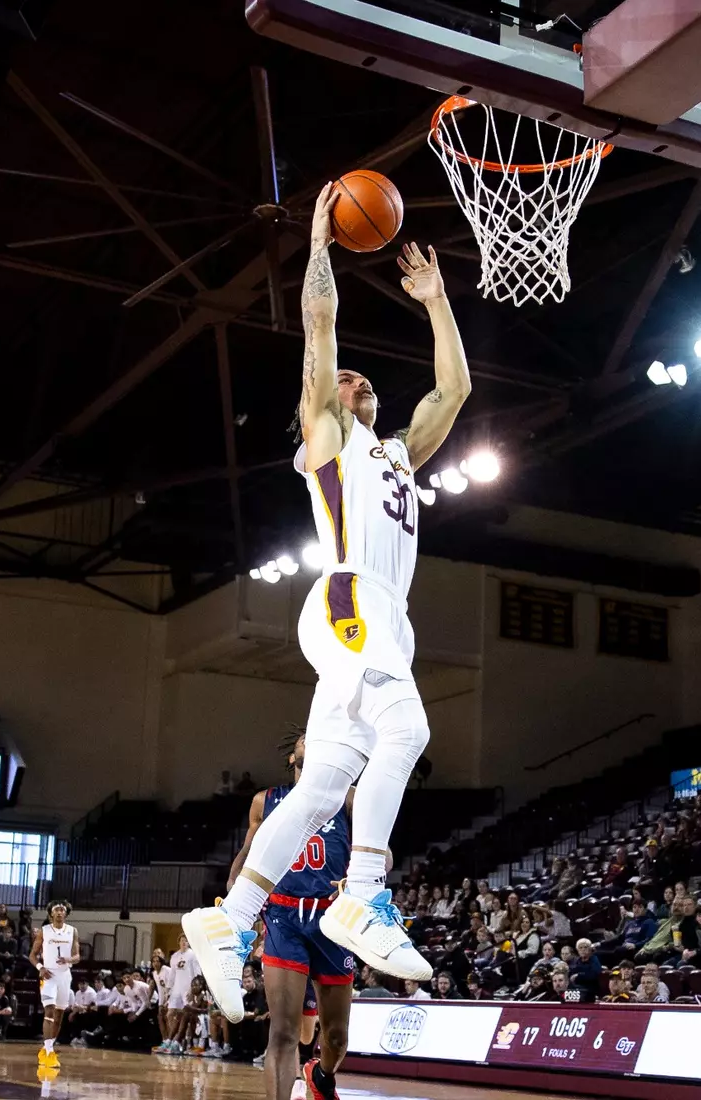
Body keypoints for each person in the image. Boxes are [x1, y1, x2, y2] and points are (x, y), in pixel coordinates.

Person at [184, 195, 470, 1023]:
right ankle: (364, 893)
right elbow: (319, 326)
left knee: (319, 790)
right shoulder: (327, 438)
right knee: (407, 731)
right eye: (346, 379)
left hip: (383, 616)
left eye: (361, 378)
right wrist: (318, 244)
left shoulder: (396, 454)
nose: (356, 379)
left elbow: (454, 389)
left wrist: (436, 301)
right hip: (349, 596)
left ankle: (229, 917)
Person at [228, 733, 359, 1100]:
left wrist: (363, 877)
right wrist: (236, 893)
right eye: (304, 736)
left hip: (332, 921)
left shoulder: (347, 798)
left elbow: (383, 852)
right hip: (283, 917)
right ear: (291, 757)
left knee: (336, 1036)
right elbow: (247, 854)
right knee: (282, 1033)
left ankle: (321, 1076)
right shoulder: (266, 800)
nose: (311, 737)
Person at [29, 901, 81, 1069]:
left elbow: (77, 956)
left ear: (66, 913)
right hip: (49, 975)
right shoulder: (44, 931)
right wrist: (41, 968)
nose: (59, 912)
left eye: (62, 910)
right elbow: (32, 955)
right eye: (56, 909)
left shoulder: (72, 931)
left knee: (59, 1015)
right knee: (49, 1010)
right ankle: (49, 1052)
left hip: (64, 975)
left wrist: (68, 959)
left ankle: (47, 1048)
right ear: (51, 913)